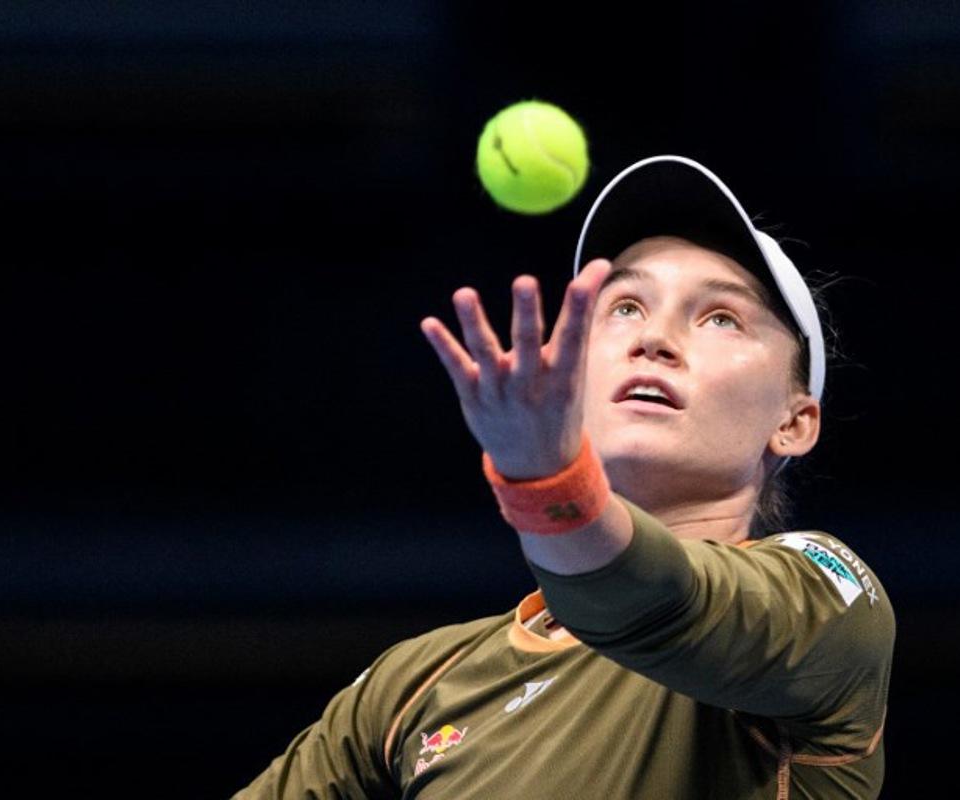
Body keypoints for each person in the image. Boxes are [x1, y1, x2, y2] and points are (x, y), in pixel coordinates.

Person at [232, 155, 894, 799]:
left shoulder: (828, 603)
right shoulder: (417, 684)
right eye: (626, 306)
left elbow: (645, 604)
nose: (654, 338)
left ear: (795, 422)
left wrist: (547, 480)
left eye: (721, 316)